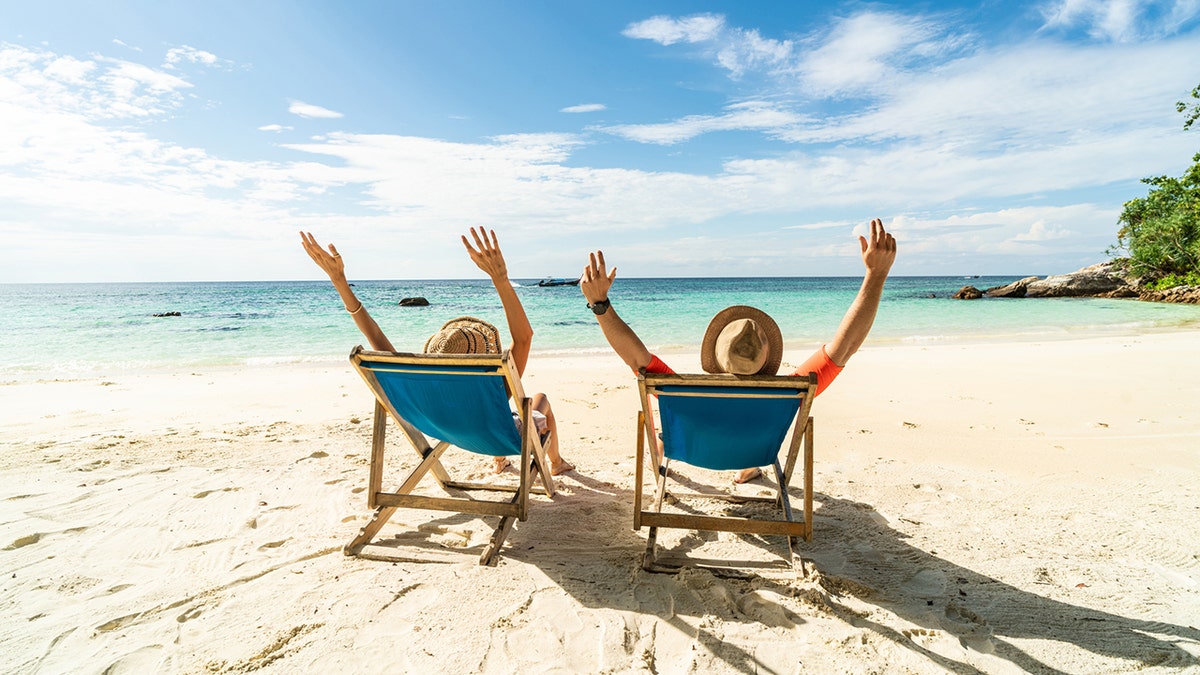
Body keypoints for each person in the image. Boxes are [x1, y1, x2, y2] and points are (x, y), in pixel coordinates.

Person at [579, 218, 897, 483]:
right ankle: (748, 465)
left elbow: (634, 356)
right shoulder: (789, 393)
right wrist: (876, 276)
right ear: (766, 356)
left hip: (694, 452)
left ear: (717, 355)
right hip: (755, 447)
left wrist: (600, 305)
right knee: (750, 429)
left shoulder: (680, 390)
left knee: (665, 422)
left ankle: (672, 447)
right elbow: (846, 346)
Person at [301, 227, 574, 475]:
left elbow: (372, 334)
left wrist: (339, 281)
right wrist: (500, 279)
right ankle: (556, 462)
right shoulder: (494, 386)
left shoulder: (420, 382)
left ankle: (500, 461)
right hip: (497, 434)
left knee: (495, 413)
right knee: (538, 400)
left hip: (444, 429)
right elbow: (524, 338)